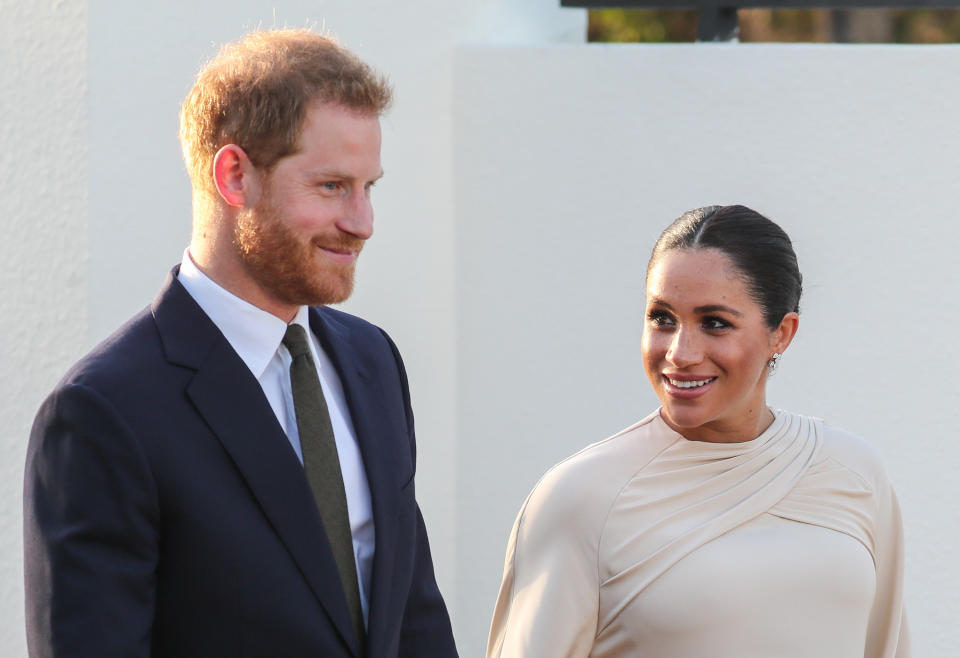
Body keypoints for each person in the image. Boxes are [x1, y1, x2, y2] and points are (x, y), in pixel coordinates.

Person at [25, 29, 458, 658]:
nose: (362, 223)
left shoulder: (373, 362)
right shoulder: (102, 413)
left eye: (370, 187)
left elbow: (414, 614)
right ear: (235, 176)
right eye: (332, 186)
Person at [486, 205, 908, 658]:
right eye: (662, 318)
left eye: (714, 323)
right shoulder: (580, 497)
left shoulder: (854, 473)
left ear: (781, 333)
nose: (680, 352)